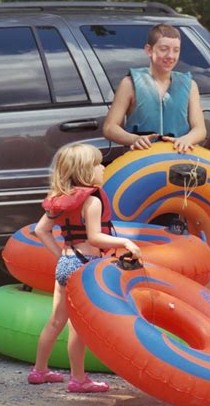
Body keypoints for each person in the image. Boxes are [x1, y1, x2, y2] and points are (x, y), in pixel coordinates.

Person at [28, 143, 142, 392]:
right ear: (85, 171)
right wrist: (124, 241)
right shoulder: (91, 200)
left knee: (56, 321)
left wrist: (61, 255)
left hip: (66, 263)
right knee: (77, 327)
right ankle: (78, 379)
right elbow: (95, 238)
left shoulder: (61, 200)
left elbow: (40, 230)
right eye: (97, 164)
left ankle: (39, 371)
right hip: (85, 264)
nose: (102, 167)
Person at [102, 24, 206, 153]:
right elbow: (109, 127)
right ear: (149, 50)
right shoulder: (129, 84)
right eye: (164, 49)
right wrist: (134, 139)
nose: (170, 56)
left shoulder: (190, 85)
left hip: (178, 158)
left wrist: (187, 139)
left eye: (176, 50)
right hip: (141, 160)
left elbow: (200, 129)